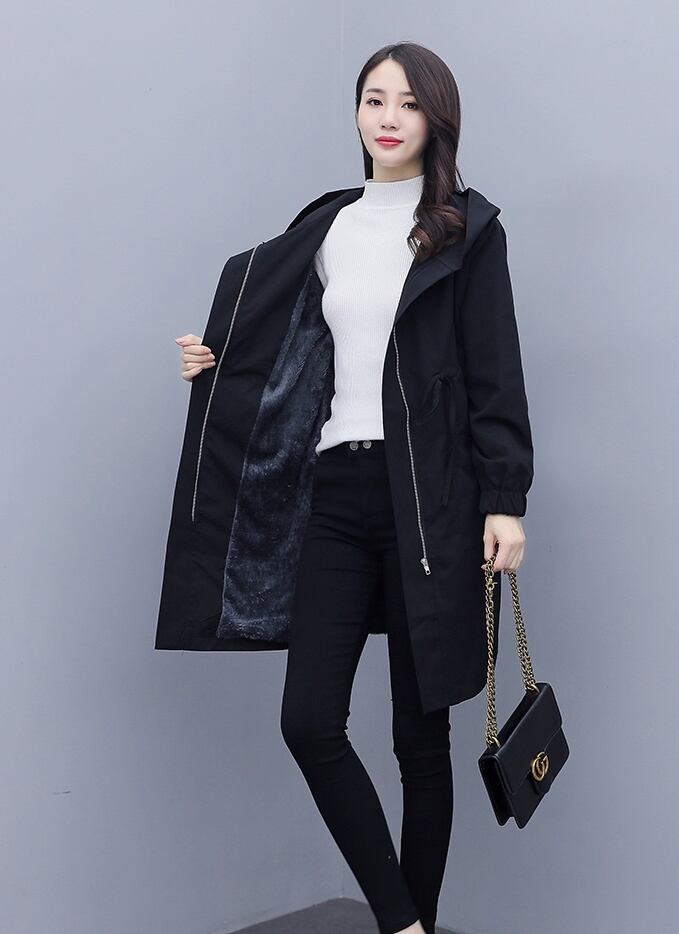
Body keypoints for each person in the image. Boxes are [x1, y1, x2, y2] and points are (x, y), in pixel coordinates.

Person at [166, 42, 533, 934]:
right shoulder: (326, 228)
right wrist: (215, 366)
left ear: (435, 120)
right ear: (357, 111)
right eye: (374, 99)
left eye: (407, 103)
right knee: (309, 722)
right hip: (336, 491)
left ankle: (412, 926)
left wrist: (504, 500)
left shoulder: (468, 231)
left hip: (431, 503)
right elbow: (287, 349)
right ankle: (404, 923)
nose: (388, 117)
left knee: (420, 737)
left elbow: (495, 374)